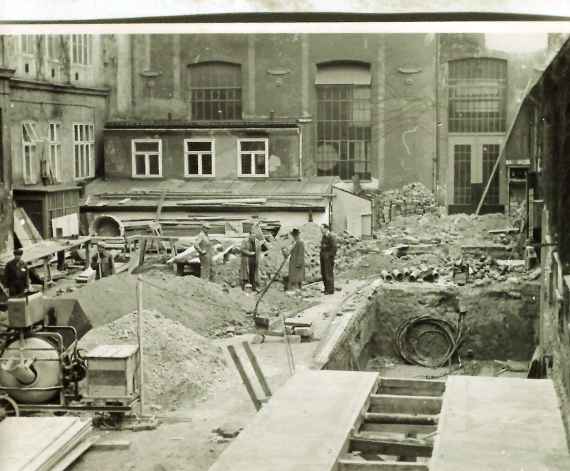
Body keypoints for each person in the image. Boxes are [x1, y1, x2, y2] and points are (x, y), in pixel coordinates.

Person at [320, 224, 337, 295]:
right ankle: (326, 289)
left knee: (328, 273)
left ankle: (330, 290)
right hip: (323, 257)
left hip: (328, 259)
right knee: (324, 273)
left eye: (322, 229)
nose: (321, 230)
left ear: (326, 229)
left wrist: (329, 256)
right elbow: (323, 246)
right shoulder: (323, 236)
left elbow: (334, 248)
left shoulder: (331, 236)